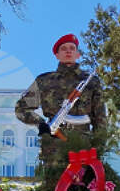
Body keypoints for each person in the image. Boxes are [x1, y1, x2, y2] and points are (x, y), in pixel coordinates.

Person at [15, 34, 105, 168]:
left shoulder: (91, 82)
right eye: (63, 48)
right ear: (57, 55)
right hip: (53, 150)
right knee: (55, 181)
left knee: (86, 181)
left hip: (84, 148)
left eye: (72, 48)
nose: (68, 51)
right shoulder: (44, 81)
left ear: (78, 54)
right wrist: (41, 124)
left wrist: (98, 149)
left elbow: (100, 119)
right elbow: (21, 108)